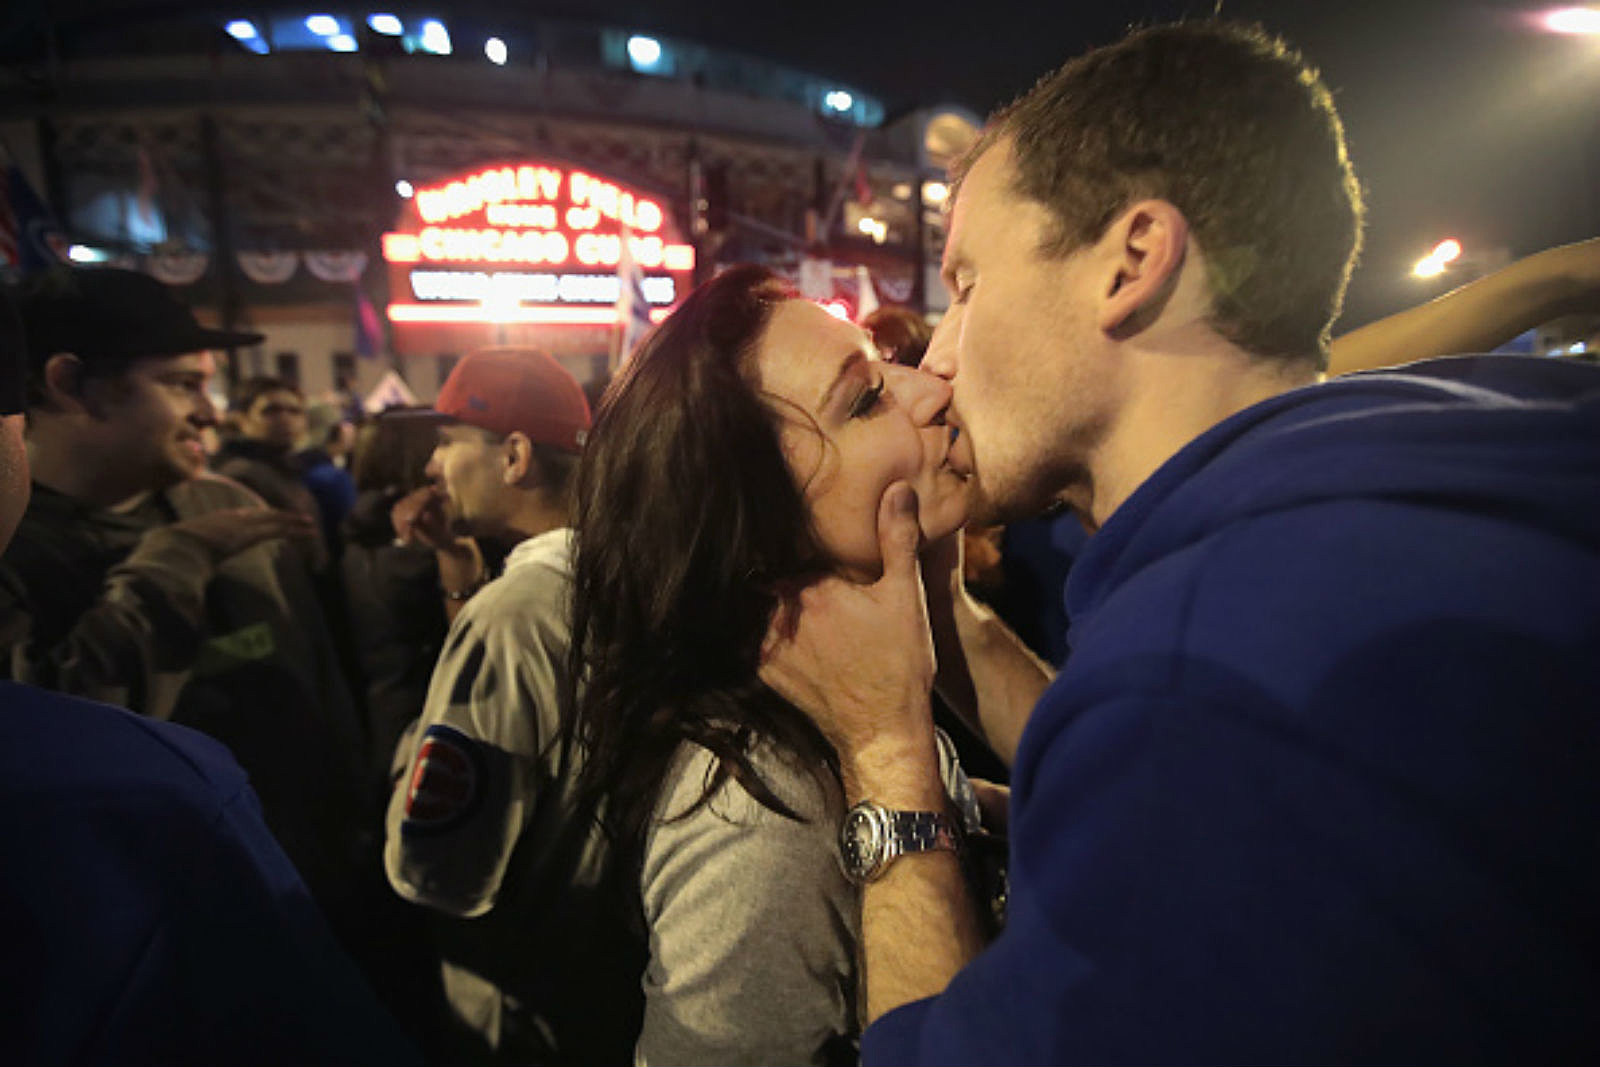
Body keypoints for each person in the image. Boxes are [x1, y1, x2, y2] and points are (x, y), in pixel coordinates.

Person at [757, 21, 1600, 1065]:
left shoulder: (1206, 683)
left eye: (967, 281)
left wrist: (889, 765)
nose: (940, 350)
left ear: (1132, 262)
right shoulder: (1418, 464)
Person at [567, 265, 995, 1066]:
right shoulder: (757, 806)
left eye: (882, 365)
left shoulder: (856, 701)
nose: (931, 387)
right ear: (758, 538)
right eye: (866, 398)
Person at [0, 278, 418, 1067]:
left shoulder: (224, 502)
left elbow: (325, 690)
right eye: (181, 384)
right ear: (66, 383)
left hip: (316, 899)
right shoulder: (21, 558)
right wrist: (175, 564)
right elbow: (57, 748)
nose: (210, 411)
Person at [382, 347, 633, 1064]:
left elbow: (439, 869)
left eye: (450, 440)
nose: (433, 464)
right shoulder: (631, 577)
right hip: (612, 983)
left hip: (522, 1003)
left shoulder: (513, 614)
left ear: (515, 454)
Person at [214, 375, 330, 571]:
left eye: (295, 411)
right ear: (243, 419)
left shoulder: (286, 468)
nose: (286, 419)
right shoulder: (242, 475)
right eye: (271, 411)